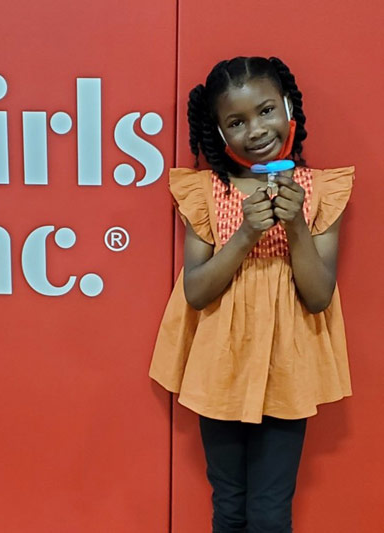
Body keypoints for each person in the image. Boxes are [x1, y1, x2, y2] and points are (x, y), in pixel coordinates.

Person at [149, 56, 354, 533]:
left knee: (268, 511)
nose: (256, 129)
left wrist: (296, 222)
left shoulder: (320, 190)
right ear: (220, 133)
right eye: (236, 122)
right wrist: (244, 234)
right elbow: (196, 291)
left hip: (286, 370)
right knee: (230, 505)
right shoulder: (206, 190)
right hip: (219, 366)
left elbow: (319, 294)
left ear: (287, 107)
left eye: (265, 111)